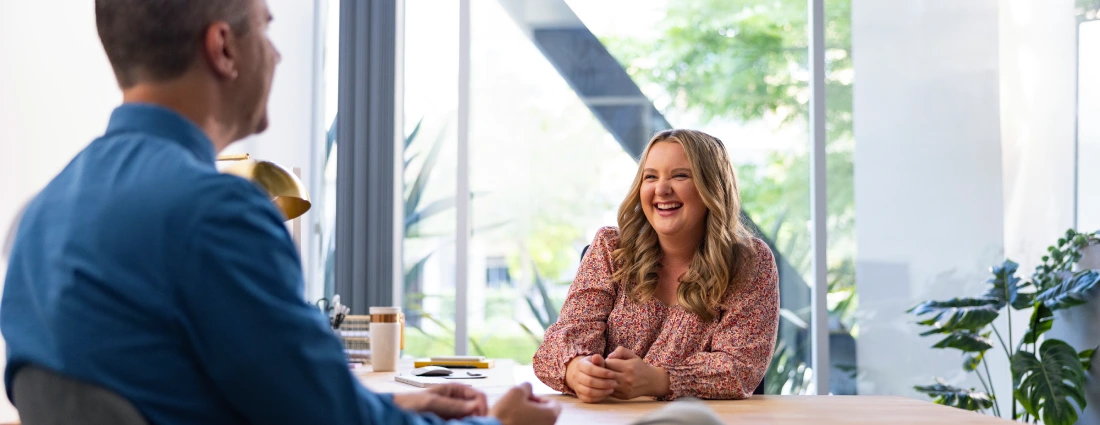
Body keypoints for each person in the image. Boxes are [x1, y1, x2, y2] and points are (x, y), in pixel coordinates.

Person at [0, 1, 560, 424]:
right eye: (266, 27)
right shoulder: (213, 210)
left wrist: (387, 402)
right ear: (223, 48)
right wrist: (494, 420)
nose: (278, 52)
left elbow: (192, 392)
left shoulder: (40, 215)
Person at [532, 129, 779, 403]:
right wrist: (576, 370)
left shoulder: (750, 261)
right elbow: (559, 343)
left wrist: (660, 380)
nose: (661, 189)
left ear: (712, 187)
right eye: (650, 177)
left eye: (680, 175)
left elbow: (740, 368)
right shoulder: (611, 248)